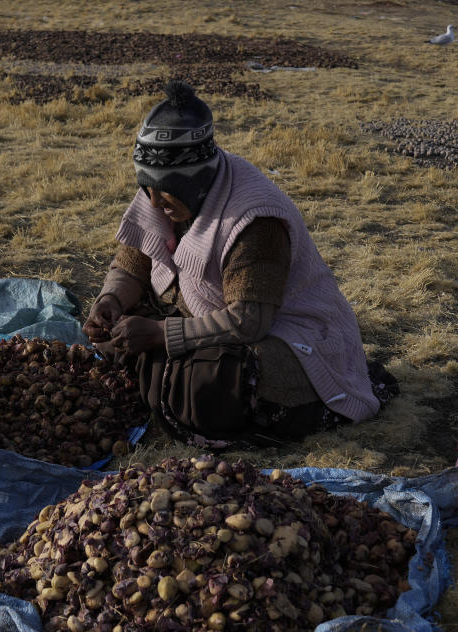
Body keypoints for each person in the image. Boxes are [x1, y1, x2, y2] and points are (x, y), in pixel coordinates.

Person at [83, 80, 397, 446]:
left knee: (210, 386)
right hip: (207, 318)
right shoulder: (162, 197)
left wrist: (158, 335)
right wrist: (111, 301)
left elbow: (250, 322)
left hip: (287, 334)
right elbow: (132, 263)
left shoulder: (254, 219)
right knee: (113, 334)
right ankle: (158, 374)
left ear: (197, 182)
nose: (154, 204)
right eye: (146, 189)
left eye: (164, 191)